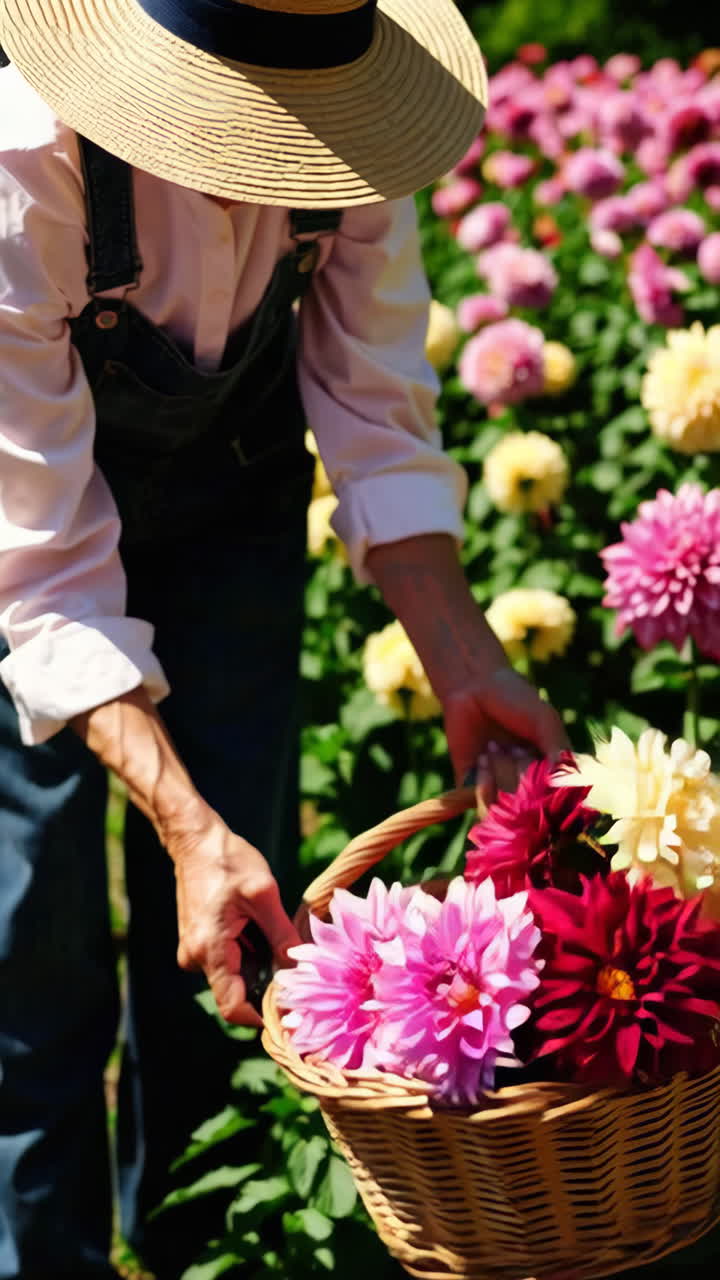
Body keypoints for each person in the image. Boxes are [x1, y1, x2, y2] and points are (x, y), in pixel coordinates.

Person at [0, 2, 571, 1277]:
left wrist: (470, 661)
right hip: (20, 537)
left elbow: (375, 415)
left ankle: (201, 1236)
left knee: (239, 920)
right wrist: (175, 816)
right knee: (31, 919)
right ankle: (36, 1256)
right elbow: (43, 575)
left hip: (237, 512)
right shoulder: (26, 164)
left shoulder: (350, 136)